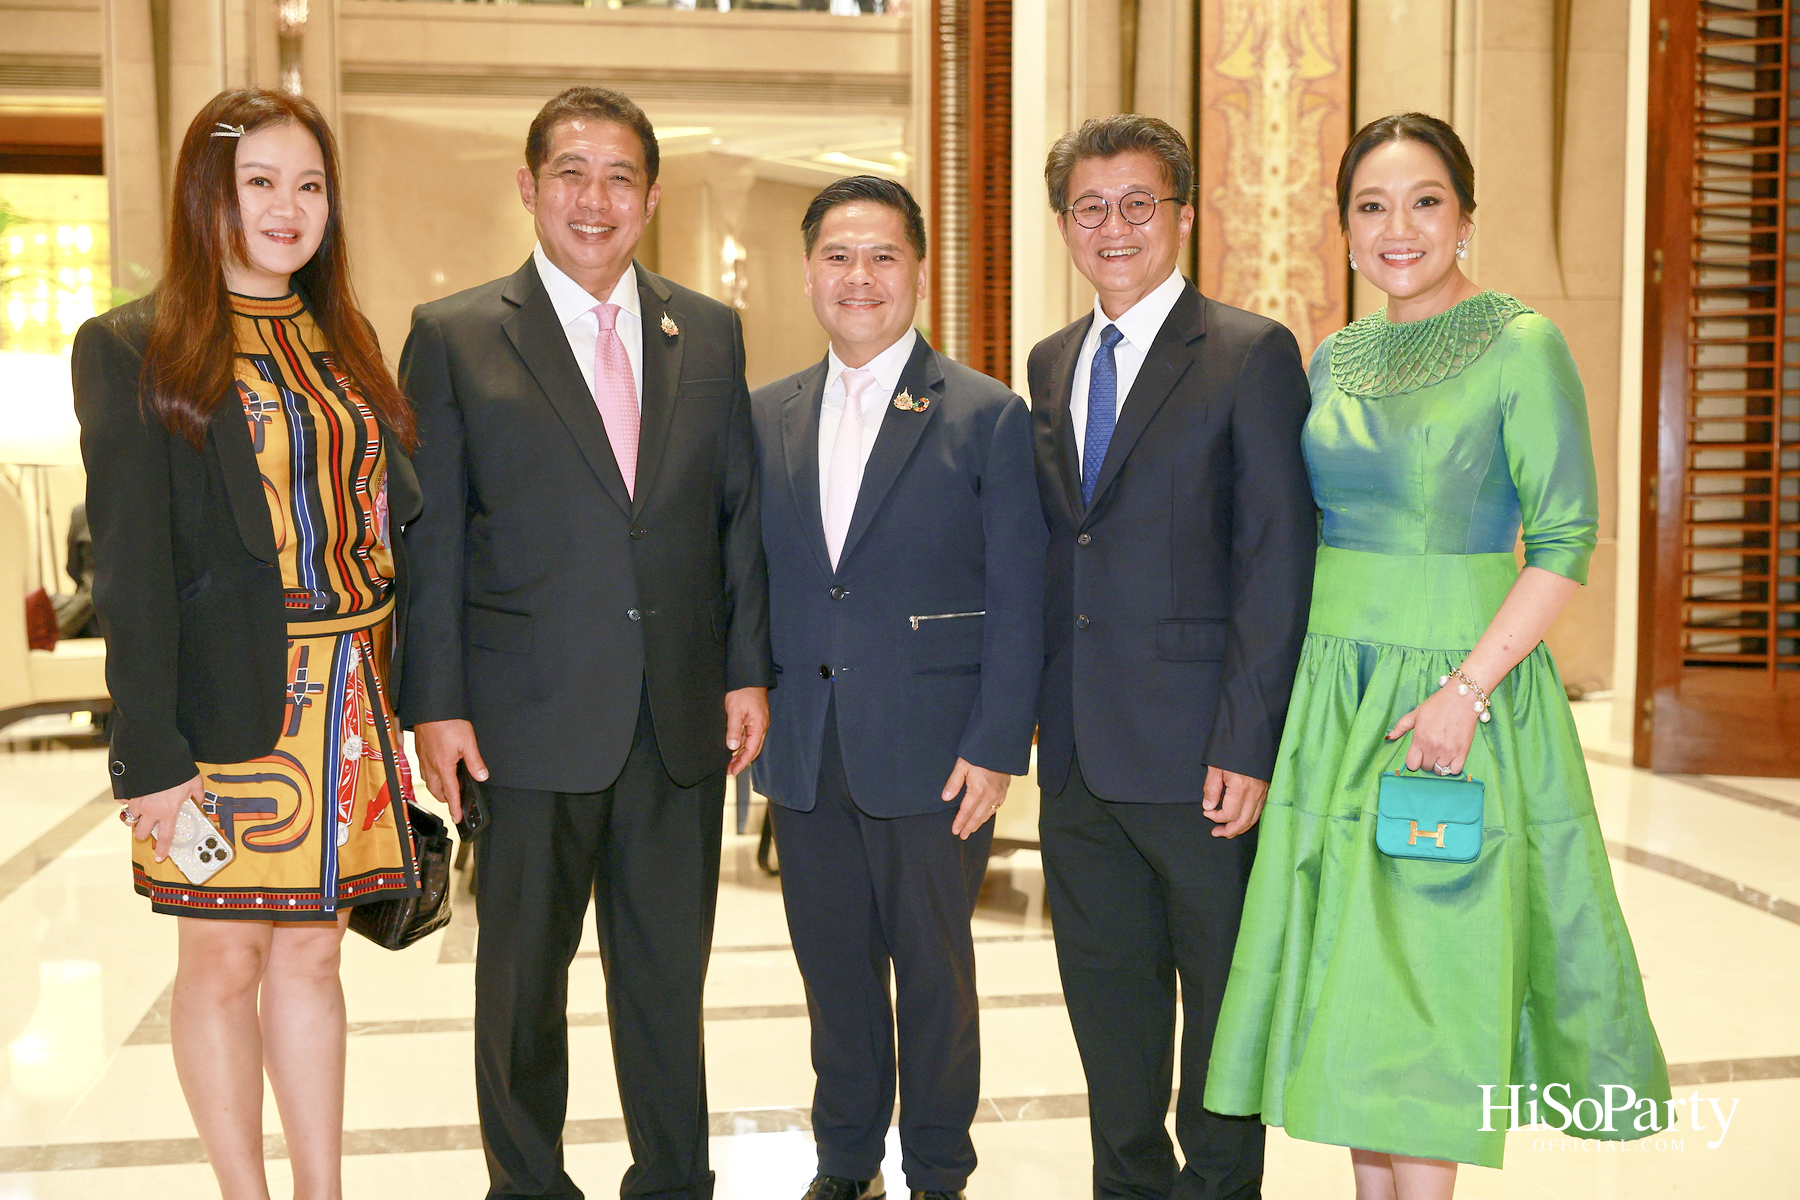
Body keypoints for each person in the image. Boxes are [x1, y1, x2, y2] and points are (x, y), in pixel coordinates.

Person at [1203, 113, 1670, 1199]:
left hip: (1454, 701)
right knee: (1358, 999)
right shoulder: (1334, 356)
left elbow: (1564, 544)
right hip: (1337, 697)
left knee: (1427, 997)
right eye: (1371, 206)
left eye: (1424, 202)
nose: (1397, 227)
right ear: (1347, 229)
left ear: (1467, 217)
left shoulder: (1523, 344)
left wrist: (1466, 689)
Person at [397, 86, 773, 1200]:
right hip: (520, 720)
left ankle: (673, 1179)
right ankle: (527, 1183)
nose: (594, 199)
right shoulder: (456, 337)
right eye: (571, 173)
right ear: (528, 186)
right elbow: (433, 545)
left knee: (666, 983)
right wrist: (436, 701)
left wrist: (747, 667)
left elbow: (735, 517)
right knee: (521, 985)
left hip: (676, 717)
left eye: (619, 178)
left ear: (651, 196)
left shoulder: (707, 330)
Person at [72, 88, 423, 1200]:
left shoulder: (345, 338)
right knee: (222, 959)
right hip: (224, 705)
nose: (287, 207)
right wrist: (148, 752)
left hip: (350, 698)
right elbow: (127, 569)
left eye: (308, 184)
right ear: (207, 196)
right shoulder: (137, 345)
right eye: (258, 182)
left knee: (317, 956)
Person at [1027, 115, 1317, 1200]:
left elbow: (1277, 563)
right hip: (1083, 767)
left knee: (1220, 1020)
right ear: (1066, 223)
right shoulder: (1051, 361)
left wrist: (1249, 742)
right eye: (1091, 206)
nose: (1115, 227)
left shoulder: (1249, 353)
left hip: (1204, 763)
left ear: (1183, 215)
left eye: (1138, 203)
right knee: (1111, 1018)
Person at [750, 176, 1047, 1200]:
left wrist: (1001, 742)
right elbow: (746, 582)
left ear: (919, 272)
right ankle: (845, 1162)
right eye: (839, 256)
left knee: (933, 979)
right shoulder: (765, 415)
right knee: (832, 977)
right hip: (807, 746)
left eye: (883, 256)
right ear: (808, 274)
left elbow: (1021, 593)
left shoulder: (985, 414)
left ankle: (937, 1168)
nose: (860, 277)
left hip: (935, 751)